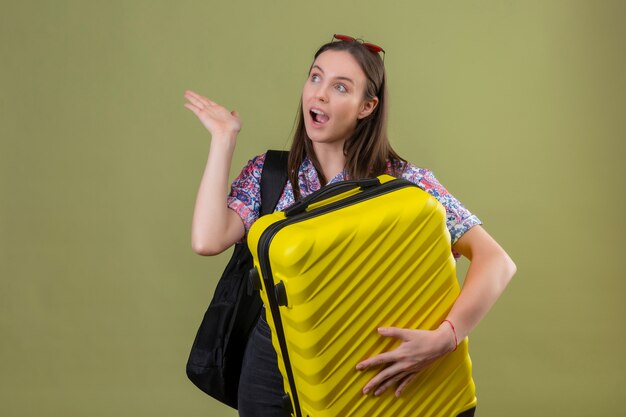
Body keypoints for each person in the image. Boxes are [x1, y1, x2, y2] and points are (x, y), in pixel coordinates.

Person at [185, 35, 516, 417]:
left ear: (367, 106)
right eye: (315, 78)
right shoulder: (270, 174)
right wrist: (223, 139)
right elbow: (207, 240)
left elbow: (497, 261)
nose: (320, 94)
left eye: (340, 87)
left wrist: (446, 338)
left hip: (365, 363)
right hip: (272, 366)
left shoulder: (407, 186)